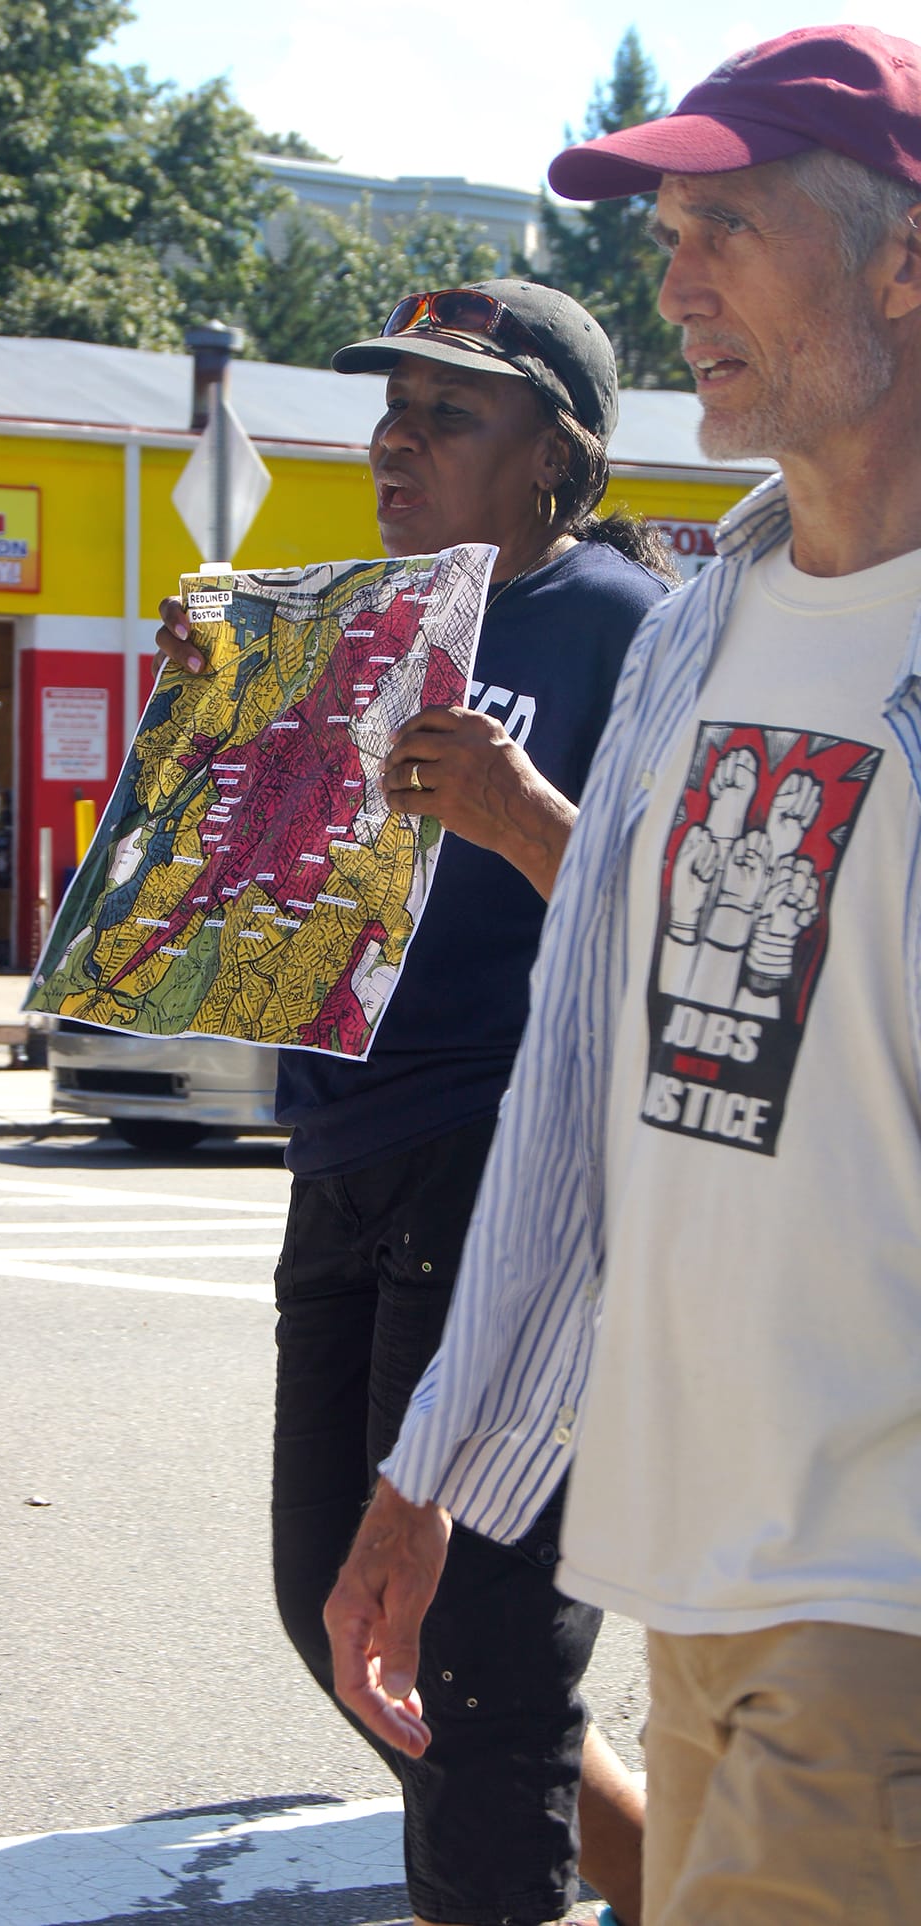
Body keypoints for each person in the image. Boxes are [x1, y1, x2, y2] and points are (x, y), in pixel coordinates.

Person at [323, 25, 921, 1926]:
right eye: (667, 236)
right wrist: (436, 1477)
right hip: (702, 1571)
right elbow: (598, 1078)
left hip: (885, 1593)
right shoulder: (709, 624)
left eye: (727, 228)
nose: (674, 286)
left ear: (905, 258)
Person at [157, 280, 676, 1926]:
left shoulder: (631, 627)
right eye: (396, 401)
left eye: (454, 411)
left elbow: (701, 922)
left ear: (556, 456)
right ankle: (701, 1886)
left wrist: (530, 815)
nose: (400, 432)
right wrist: (209, 734)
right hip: (349, 1152)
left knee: (476, 1663)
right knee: (342, 1612)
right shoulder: (359, 615)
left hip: (516, 1168)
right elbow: (252, 887)